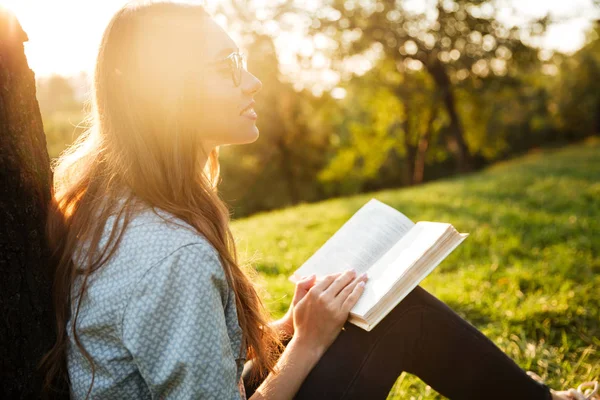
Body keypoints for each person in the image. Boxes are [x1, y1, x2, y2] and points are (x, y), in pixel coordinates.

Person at [38, 2, 598, 400]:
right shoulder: (172, 255)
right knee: (398, 318)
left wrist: (284, 326)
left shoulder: (116, 204)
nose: (252, 82)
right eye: (228, 67)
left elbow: (179, 361)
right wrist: (306, 343)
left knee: (386, 300)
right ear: (169, 95)